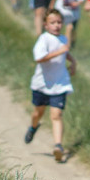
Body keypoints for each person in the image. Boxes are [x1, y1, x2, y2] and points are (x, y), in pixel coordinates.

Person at [24, 9, 75, 162]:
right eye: (53, 23)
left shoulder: (63, 40)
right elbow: (39, 58)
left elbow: (65, 52)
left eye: (59, 22)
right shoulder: (43, 39)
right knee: (37, 113)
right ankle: (33, 127)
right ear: (46, 25)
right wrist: (60, 52)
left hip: (60, 83)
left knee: (56, 115)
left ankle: (58, 146)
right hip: (42, 84)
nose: (57, 25)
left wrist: (73, 62)